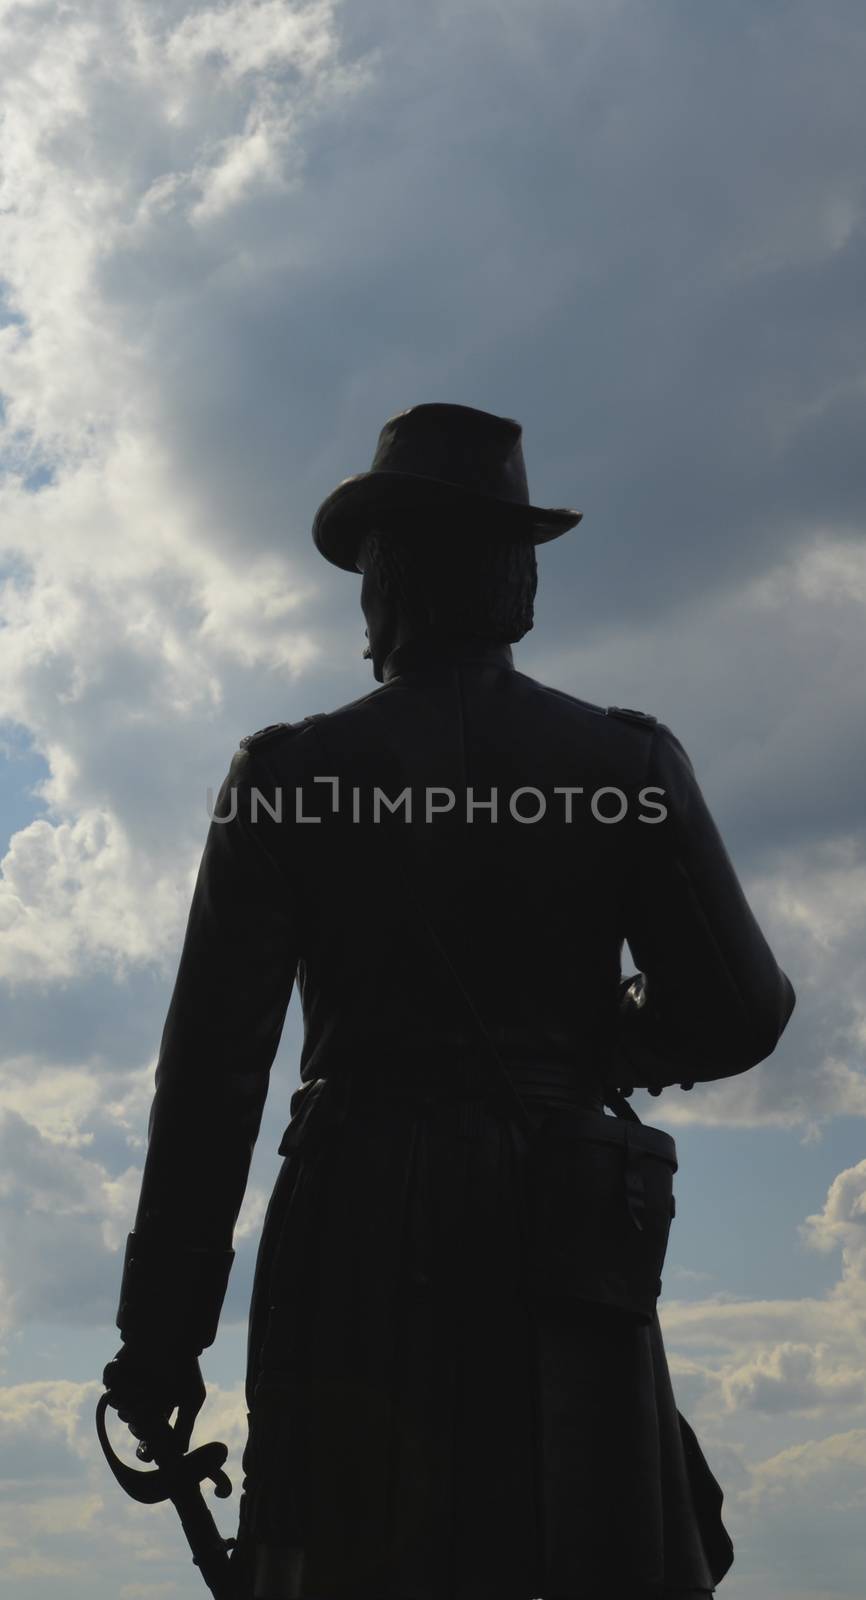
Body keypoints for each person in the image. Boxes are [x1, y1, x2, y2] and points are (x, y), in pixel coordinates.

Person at [103, 403, 796, 1600]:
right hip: (567, 1224)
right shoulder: (624, 767)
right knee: (585, 1541)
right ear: (512, 581)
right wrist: (594, 1053)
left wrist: (162, 1340)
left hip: (354, 1224)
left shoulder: (287, 779)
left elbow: (215, 1081)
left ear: (387, 582)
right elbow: (739, 1010)